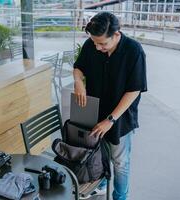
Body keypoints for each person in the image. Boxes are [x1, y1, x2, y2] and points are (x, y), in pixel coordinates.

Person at [73, 12, 147, 200]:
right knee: (99, 153)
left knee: (120, 162)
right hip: (95, 111)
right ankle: (102, 184)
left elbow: (134, 90)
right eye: (95, 43)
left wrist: (110, 120)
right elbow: (79, 67)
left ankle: (120, 196)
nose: (97, 47)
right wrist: (78, 83)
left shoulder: (134, 50)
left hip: (119, 118)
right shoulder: (92, 44)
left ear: (116, 34)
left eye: (103, 44)